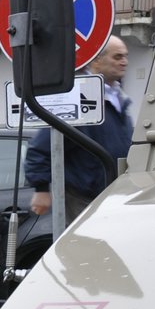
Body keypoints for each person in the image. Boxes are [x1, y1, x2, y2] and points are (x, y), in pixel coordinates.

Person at [25, 34, 133, 224]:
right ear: (97, 60)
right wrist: (41, 189)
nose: (124, 62)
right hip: (84, 198)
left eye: (125, 56)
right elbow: (41, 147)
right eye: (117, 57)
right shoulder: (77, 96)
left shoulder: (118, 97)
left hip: (114, 195)